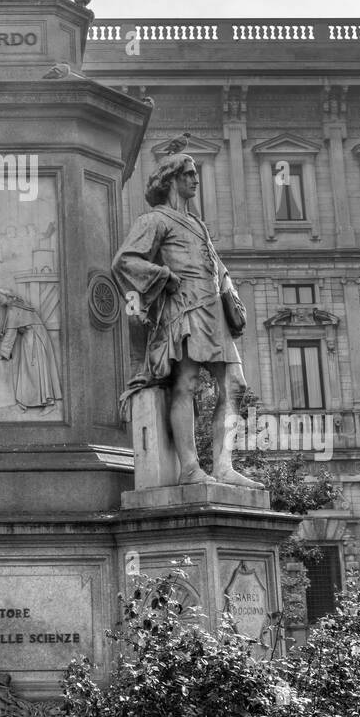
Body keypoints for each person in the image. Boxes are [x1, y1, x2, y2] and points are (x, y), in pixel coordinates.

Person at [111, 153, 260, 487]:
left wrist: (229, 294)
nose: (196, 179)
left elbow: (217, 267)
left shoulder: (198, 224)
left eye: (196, 174)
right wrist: (163, 276)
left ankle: (223, 466)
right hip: (184, 310)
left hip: (213, 311)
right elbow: (125, 261)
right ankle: (190, 467)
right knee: (187, 384)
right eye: (189, 174)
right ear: (171, 179)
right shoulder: (155, 220)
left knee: (235, 386)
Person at [0, 288, 62, 411]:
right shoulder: (17, 305)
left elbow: (10, 334)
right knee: (28, 371)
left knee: (36, 371)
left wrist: (2, 355)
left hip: (34, 339)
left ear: (7, 296)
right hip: (31, 338)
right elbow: (14, 328)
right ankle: (26, 401)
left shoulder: (14, 308)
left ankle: (48, 402)